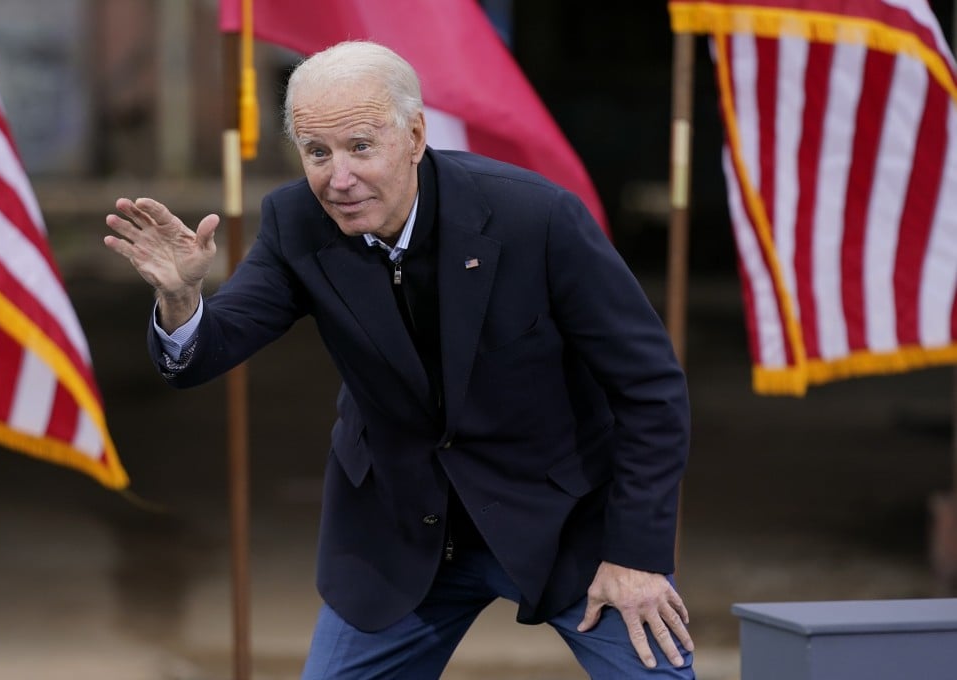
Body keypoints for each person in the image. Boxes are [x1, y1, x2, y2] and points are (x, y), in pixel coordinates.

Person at [104, 40, 694, 679]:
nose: (339, 177)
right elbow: (206, 350)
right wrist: (182, 297)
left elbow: (651, 389)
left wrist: (636, 554)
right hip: (400, 530)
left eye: (360, 146)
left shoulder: (536, 217)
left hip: (560, 521)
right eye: (317, 152)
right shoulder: (295, 221)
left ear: (414, 136)